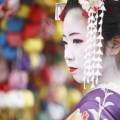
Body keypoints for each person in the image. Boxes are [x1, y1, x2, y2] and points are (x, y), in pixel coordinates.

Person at [55, 0, 120, 119]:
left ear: (114, 44)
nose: (67, 55)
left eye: (77, 41)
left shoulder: (95, 109)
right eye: (65, 42)